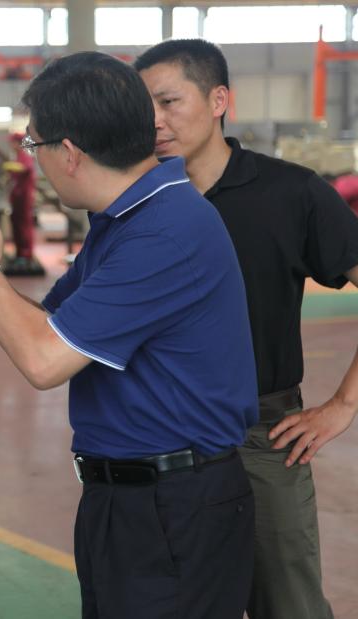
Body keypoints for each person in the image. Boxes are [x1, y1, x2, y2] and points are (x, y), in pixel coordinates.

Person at [0, 51, 258, 619]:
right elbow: (50, 325)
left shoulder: (164, 230)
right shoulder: (125, 219)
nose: (34, 158)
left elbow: (44, 359)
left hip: (174, 506)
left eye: (34, 145)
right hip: (128, 498)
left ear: (70, 153)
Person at [136, 39, 358, 619]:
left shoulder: (291, 193)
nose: (153, 121)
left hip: (261, 437)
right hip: (157, 438)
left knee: (288, 605)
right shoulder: (135, 200)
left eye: (168, 101)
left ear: (218, 100)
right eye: (143, 106)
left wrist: (343, 405)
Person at [2, 132, 45, 276]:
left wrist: (11, 166)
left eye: (12, 142)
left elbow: (26, 168)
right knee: (17, 225)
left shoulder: (24, 156)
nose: (11, 145)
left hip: (24, 198)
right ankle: (20, 253)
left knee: (24, 225)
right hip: (17, 197)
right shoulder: (16, 156)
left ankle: (26, 254)